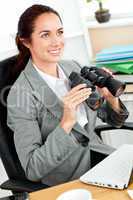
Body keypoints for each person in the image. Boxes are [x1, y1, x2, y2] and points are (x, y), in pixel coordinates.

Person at [7, 4, 129, 186]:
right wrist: (66, 122)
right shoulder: (20, 96)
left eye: (60, 32)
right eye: (45, 35)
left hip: (103, 159)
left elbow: (115, 121)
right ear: (25, 41)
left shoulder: (72, 67)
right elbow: (33, 169)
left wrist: (111, 98)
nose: (57, 42)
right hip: (69, 178)